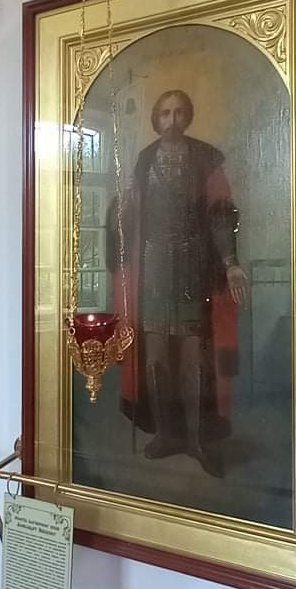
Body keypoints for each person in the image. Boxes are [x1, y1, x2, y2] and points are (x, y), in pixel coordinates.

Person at [113, 89, 247, 477]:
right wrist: (125, 209)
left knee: (195, 360)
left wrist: (230, 263)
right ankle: (167, 433)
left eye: (178, 113)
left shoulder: (205, 159)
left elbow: (221, 215)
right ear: (156, 119)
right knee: (155, 357)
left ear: (187, 117)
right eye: (165, 113)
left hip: (192, 266)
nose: (171, 120)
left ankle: (197, 438)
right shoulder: (144, 161)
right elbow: (130, 218)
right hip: (153, 267)